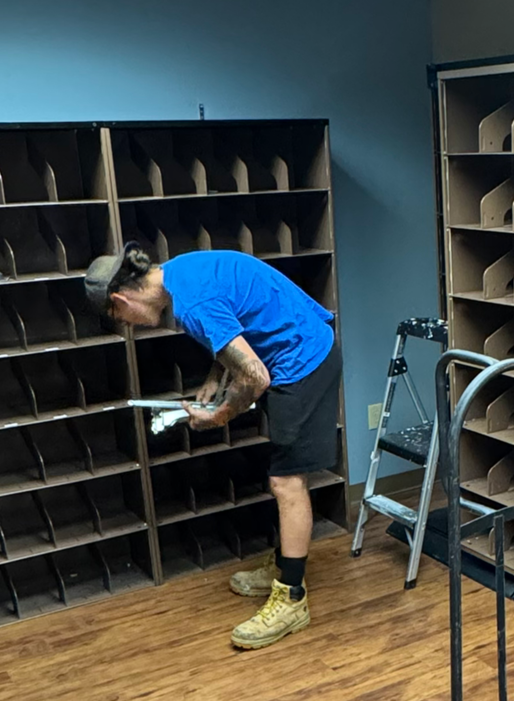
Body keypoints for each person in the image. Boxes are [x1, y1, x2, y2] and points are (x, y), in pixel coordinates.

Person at [84, 244, 341, 651]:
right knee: (284, 476)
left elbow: (255, 377)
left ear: (121, 299)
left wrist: (218, 416)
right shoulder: (179, 272)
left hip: (304, 360)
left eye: (122, 319)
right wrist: (216, 375)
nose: (131, 326)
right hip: (297, 344)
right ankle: (283, 563)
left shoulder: (193, 305)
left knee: (286, 481)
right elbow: (236, 325)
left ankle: (291, 597)